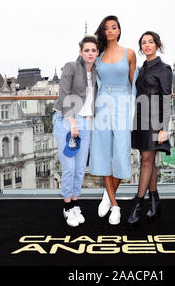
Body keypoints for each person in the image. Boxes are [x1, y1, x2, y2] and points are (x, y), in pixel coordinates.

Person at [89, 15, 137, 225]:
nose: (110, 30)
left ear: (119, 30)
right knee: (103, 154)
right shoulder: (98, 56)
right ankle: (115, 205)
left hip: (123, 105)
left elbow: (134, 84)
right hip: (102, 105)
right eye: (106, 28)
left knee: (120, 152)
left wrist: (133, 110)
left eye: (114, 27)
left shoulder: (129, 53)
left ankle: (108, 195)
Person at [53, 35, 99, 227]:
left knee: (80, 169)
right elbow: (64, 95)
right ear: (81, 52)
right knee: (69, 168)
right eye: (86, 50)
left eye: (93, 50)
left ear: (97, 53)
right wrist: (72, 122)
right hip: (66, 120)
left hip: (86, 122)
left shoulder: (96, 72)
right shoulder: (71, 66)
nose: (90, 53)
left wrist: (88, 119)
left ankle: (75, 205)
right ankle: (66, 208)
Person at [128, 31, 172, 225]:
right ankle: (155, 200)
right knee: (149, 160)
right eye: (143, 43)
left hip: (154, 121)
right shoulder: (142, 68)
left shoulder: (164, 68)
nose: (147, 45)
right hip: (140, 119)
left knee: (146, 161)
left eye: (150, 42)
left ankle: (138, 203)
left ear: (157, 45)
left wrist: (163, 127)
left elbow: (167, 99)